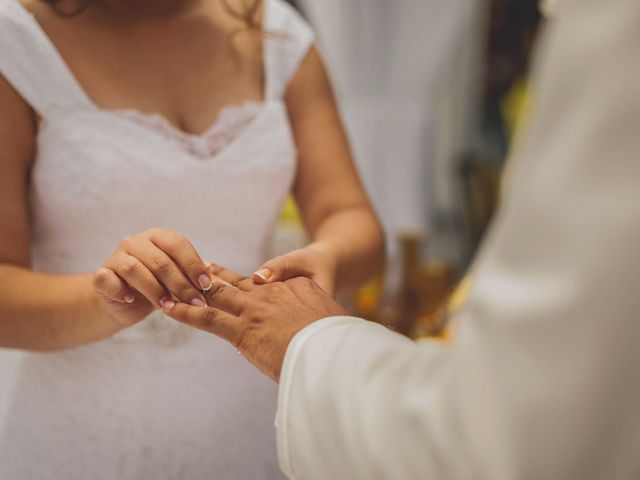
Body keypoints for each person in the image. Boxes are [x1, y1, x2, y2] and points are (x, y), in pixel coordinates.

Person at [159, 0, 640, 478]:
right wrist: (121, 292)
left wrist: (323, 266)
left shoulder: (276, 37)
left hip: (259, 381)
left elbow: (515, 429)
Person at [0, 0, 383, 478]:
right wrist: (103, 298)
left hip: (257, 425)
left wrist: (327, 259)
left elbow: (350, 216)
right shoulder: (14, 41)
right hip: (79, 438)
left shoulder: (276, 32)